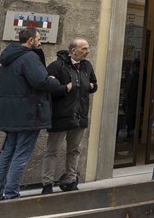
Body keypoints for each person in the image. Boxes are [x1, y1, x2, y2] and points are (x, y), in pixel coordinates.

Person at [0, 28, 69, 201]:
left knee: (7, 153)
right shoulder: (29, 57)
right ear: (31, 40)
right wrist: (56, 83)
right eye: (39, 39)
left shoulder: (8, 59)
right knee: (21, 155)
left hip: (10, 113)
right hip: (28, 113)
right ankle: (11, 195)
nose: (40, 43)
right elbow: (40, 80)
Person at [41, 38, 98, 194]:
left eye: (87, 48)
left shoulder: (87, 66)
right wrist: (65, 88)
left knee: (74, 150)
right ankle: (47, 183)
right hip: (60, 115)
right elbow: (47, 88)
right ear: (73, 50)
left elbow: (94, 84)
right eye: (84, 48)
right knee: (52, 150)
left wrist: (91, 86)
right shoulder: (56, 66)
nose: (88, 51)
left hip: (80, 114)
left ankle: (71, 180)